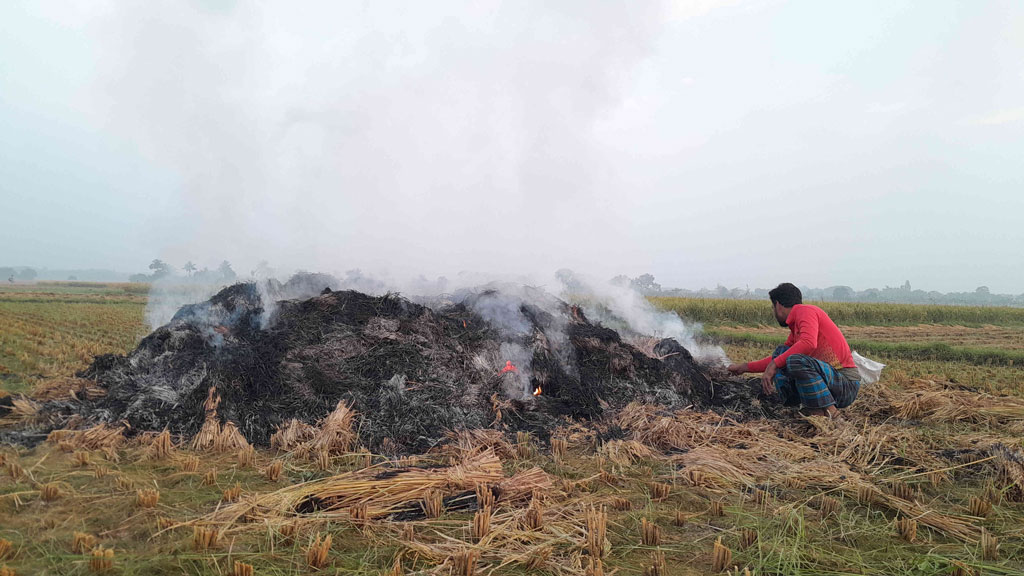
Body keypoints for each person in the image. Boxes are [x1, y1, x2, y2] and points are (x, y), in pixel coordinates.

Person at [727, 283, 860, 418]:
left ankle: (829, 412)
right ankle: (806, 406)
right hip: (830, 384)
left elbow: (808, 343)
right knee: (782, 353)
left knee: (794, 360)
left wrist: (774, 365)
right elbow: (780, 357)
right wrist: (745, 367)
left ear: (778, 305)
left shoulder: (806, 311)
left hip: (845, 384)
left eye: (773, 307)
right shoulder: (796, 327)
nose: (774, 311)